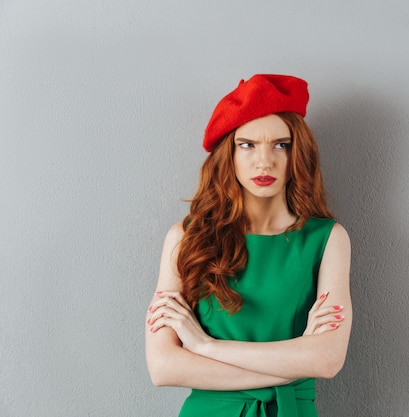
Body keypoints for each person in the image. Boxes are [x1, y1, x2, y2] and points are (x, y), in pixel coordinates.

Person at [145, 74, 352, 417]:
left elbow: (328, 360)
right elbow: (164, 367)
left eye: (281, 145)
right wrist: (296, 357)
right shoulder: (186, 237)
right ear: (229, 153)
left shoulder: (327, 239)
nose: (264, 161)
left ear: (297, 152)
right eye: (248, 144)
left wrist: (204, 346)